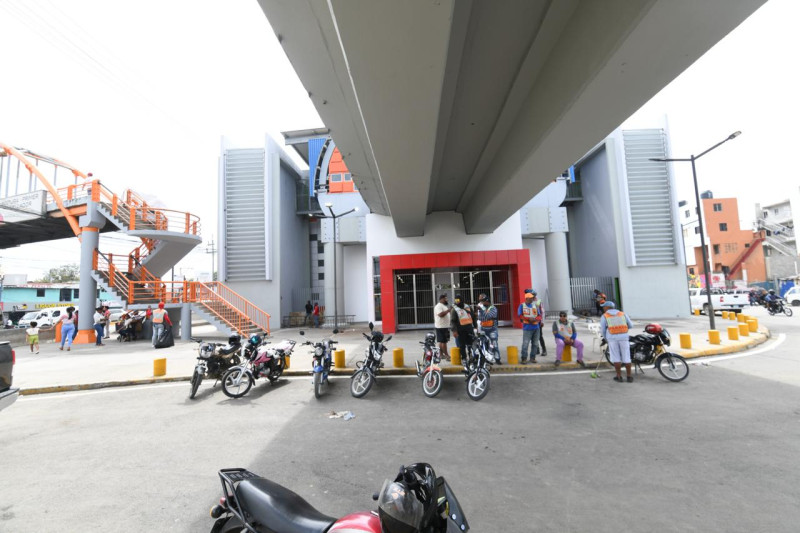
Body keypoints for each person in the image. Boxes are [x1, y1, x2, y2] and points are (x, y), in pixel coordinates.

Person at [599, 301, 634, 383]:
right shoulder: (622, 314)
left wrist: (606, 338)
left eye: (604, 307)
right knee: (626, 357)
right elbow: (631, 325)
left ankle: (619, 376)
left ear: (607, 307)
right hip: (624, 337)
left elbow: (603, 330)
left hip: (612, 338)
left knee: (616, 358)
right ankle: (629, 376)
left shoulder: (605, 316)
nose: (603, 308)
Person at [450, 295, 475, 369]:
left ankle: (471, 357)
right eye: (456, 300)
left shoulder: (468, 307)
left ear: (461, 300)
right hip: (460, 331)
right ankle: (464, 359)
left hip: (469, 329)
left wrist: (476, 326)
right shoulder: (454, 309)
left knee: (471, 344)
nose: (457, 302)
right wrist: (454, 331)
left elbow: (473, 317)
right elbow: (452, 321)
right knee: (462, 346)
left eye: (458, 300)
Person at [476, 294, 501, 364]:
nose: (482, 303)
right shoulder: (482, 309)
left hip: (492, 329)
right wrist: (481, 311)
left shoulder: (493, 308)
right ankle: (487, 359)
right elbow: (480, 318)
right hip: (483, 330)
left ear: (487, 301)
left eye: (483, 301)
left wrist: (482, 310)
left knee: (494, 345)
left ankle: (497, 359)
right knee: (484, 346)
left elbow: (489, 316)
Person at [518, 293, 541, 364]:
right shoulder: (522, 306)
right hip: (527, 328)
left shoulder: (535, 306)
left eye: (532, 298)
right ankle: (524, 358)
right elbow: (520, 315)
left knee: (535, 344)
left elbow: (539, 316)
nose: (532, 299)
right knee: (525, 343)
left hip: (536, 327)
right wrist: (528, 319)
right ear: (526, 298)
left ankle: (532, 358)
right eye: (530, 298)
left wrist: (535, 319)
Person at [524, 289, 547, 356]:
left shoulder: (538, 301)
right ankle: (536, 349)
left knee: (540, 336)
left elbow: (542, 312)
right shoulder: (528, 301)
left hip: (538, 321)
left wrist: (542, 321)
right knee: (532, 336)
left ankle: (544, 350)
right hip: (530, 322)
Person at [433, 294, 452, 361]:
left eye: (446, 298)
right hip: (441, 326)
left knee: (441, 341)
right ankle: (447, 355)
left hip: (444, 326)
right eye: (445, 299)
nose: (446, 300)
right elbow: (440, 314)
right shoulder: (438, 306)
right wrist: (448, 310)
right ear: (441, 299)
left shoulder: (443, 306)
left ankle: (441, 355)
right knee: (444, 342)